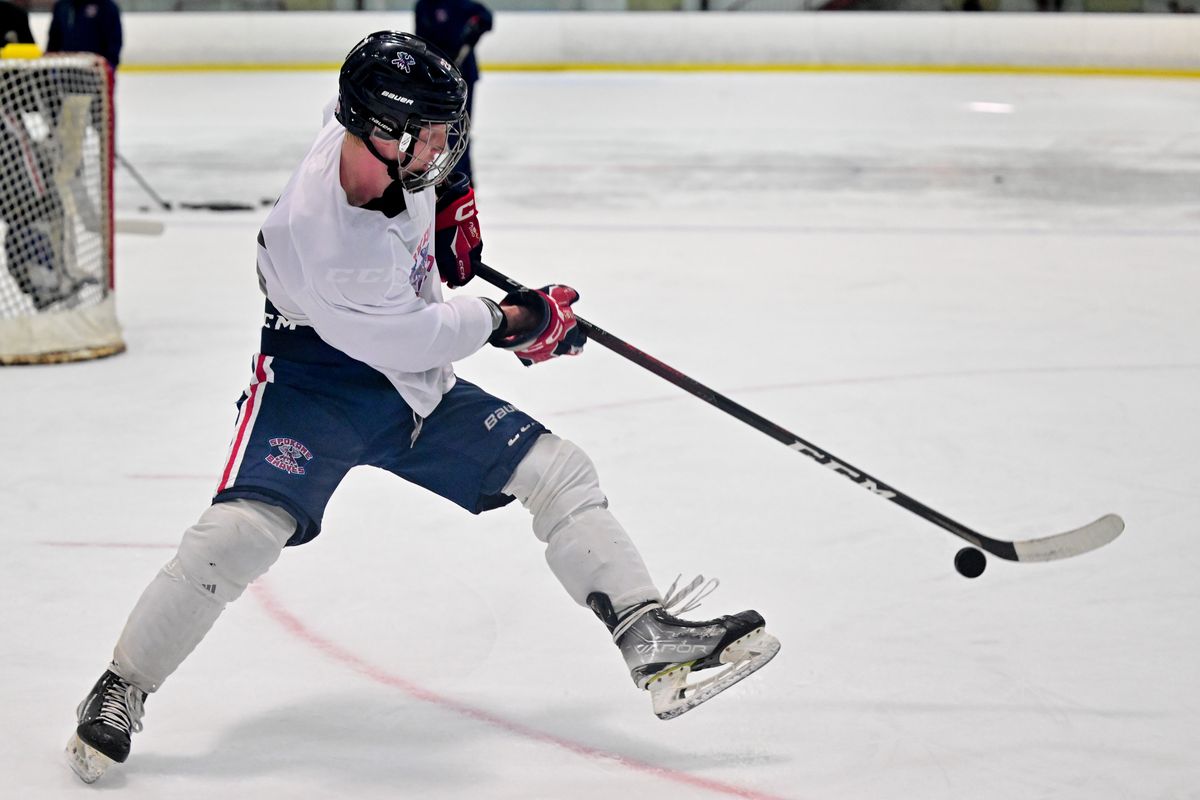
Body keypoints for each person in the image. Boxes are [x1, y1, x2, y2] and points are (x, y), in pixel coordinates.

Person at [65, 31, 779, 785]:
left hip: (404, 371)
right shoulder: (323, 232)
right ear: (381, 133)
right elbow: (415, 336)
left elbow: (415, 294)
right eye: (430, 139)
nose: (440, 150)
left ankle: (646, 633)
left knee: (560, 472)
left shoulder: (376, 144)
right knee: (237, 536)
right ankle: (123, 684)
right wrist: (517, 322)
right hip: (318, 382)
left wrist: (451, 202)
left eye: (446, 138)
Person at [415, 0, 491, 182]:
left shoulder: (462, 4)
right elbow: (421, 40)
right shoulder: (424, 6)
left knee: (459, 130)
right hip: (435, 76)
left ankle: (462, 176)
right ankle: (421, 173)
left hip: (463, 75)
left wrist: (474, 32)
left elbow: (486, 18)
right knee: (428, 128)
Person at [46, 0, 122, 73]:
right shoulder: (62, 6)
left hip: (96, 73)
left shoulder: (106, 6)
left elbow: (114, 41)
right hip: (66, 73)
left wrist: (109, 66)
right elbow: (53, 41)